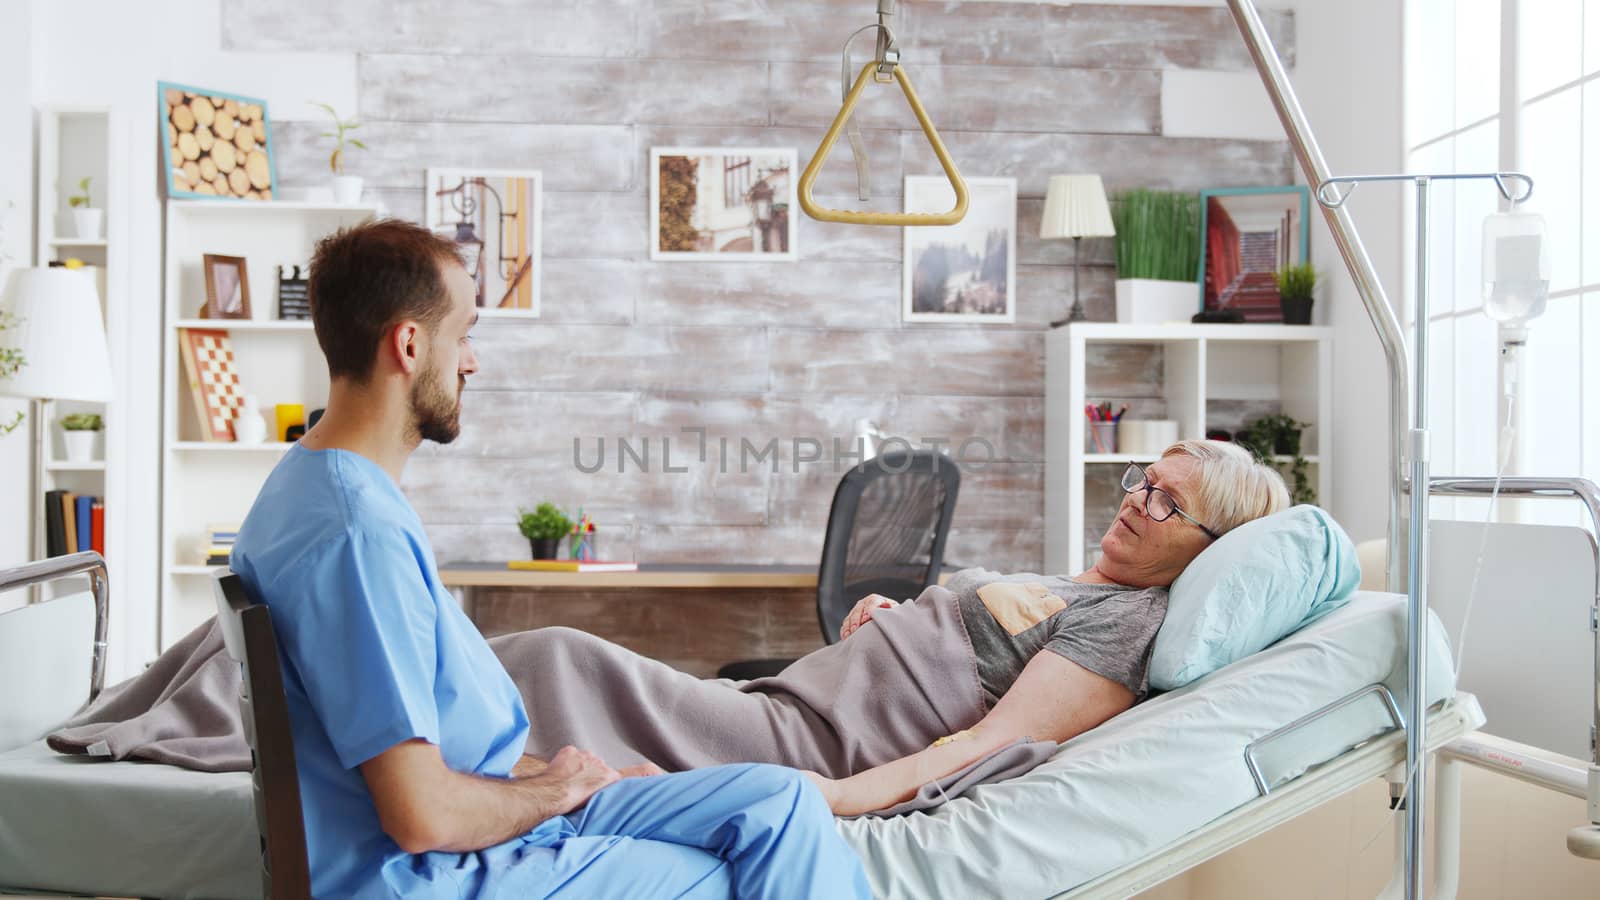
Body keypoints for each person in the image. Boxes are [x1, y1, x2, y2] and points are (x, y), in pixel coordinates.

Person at [230, 219, 871, 900]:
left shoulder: (310, 484)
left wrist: (557, 780)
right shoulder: (355, 536)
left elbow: (433, 752)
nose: (471, 361)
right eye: (465, 334)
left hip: (494, 822)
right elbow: (421, 816)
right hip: (431, 874)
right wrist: (557, 792)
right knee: (734, 876)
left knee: (780, 802)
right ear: (410, 345)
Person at [807, 439, 1290, 814]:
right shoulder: (1080, 582)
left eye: (1168, 502)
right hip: (812, 695)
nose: (1138, 500)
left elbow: (992, 743)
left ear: (1210, 547)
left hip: (826, 737)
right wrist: (901, 618)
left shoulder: (1124, 619)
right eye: (1146, 481)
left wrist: (834, 798)